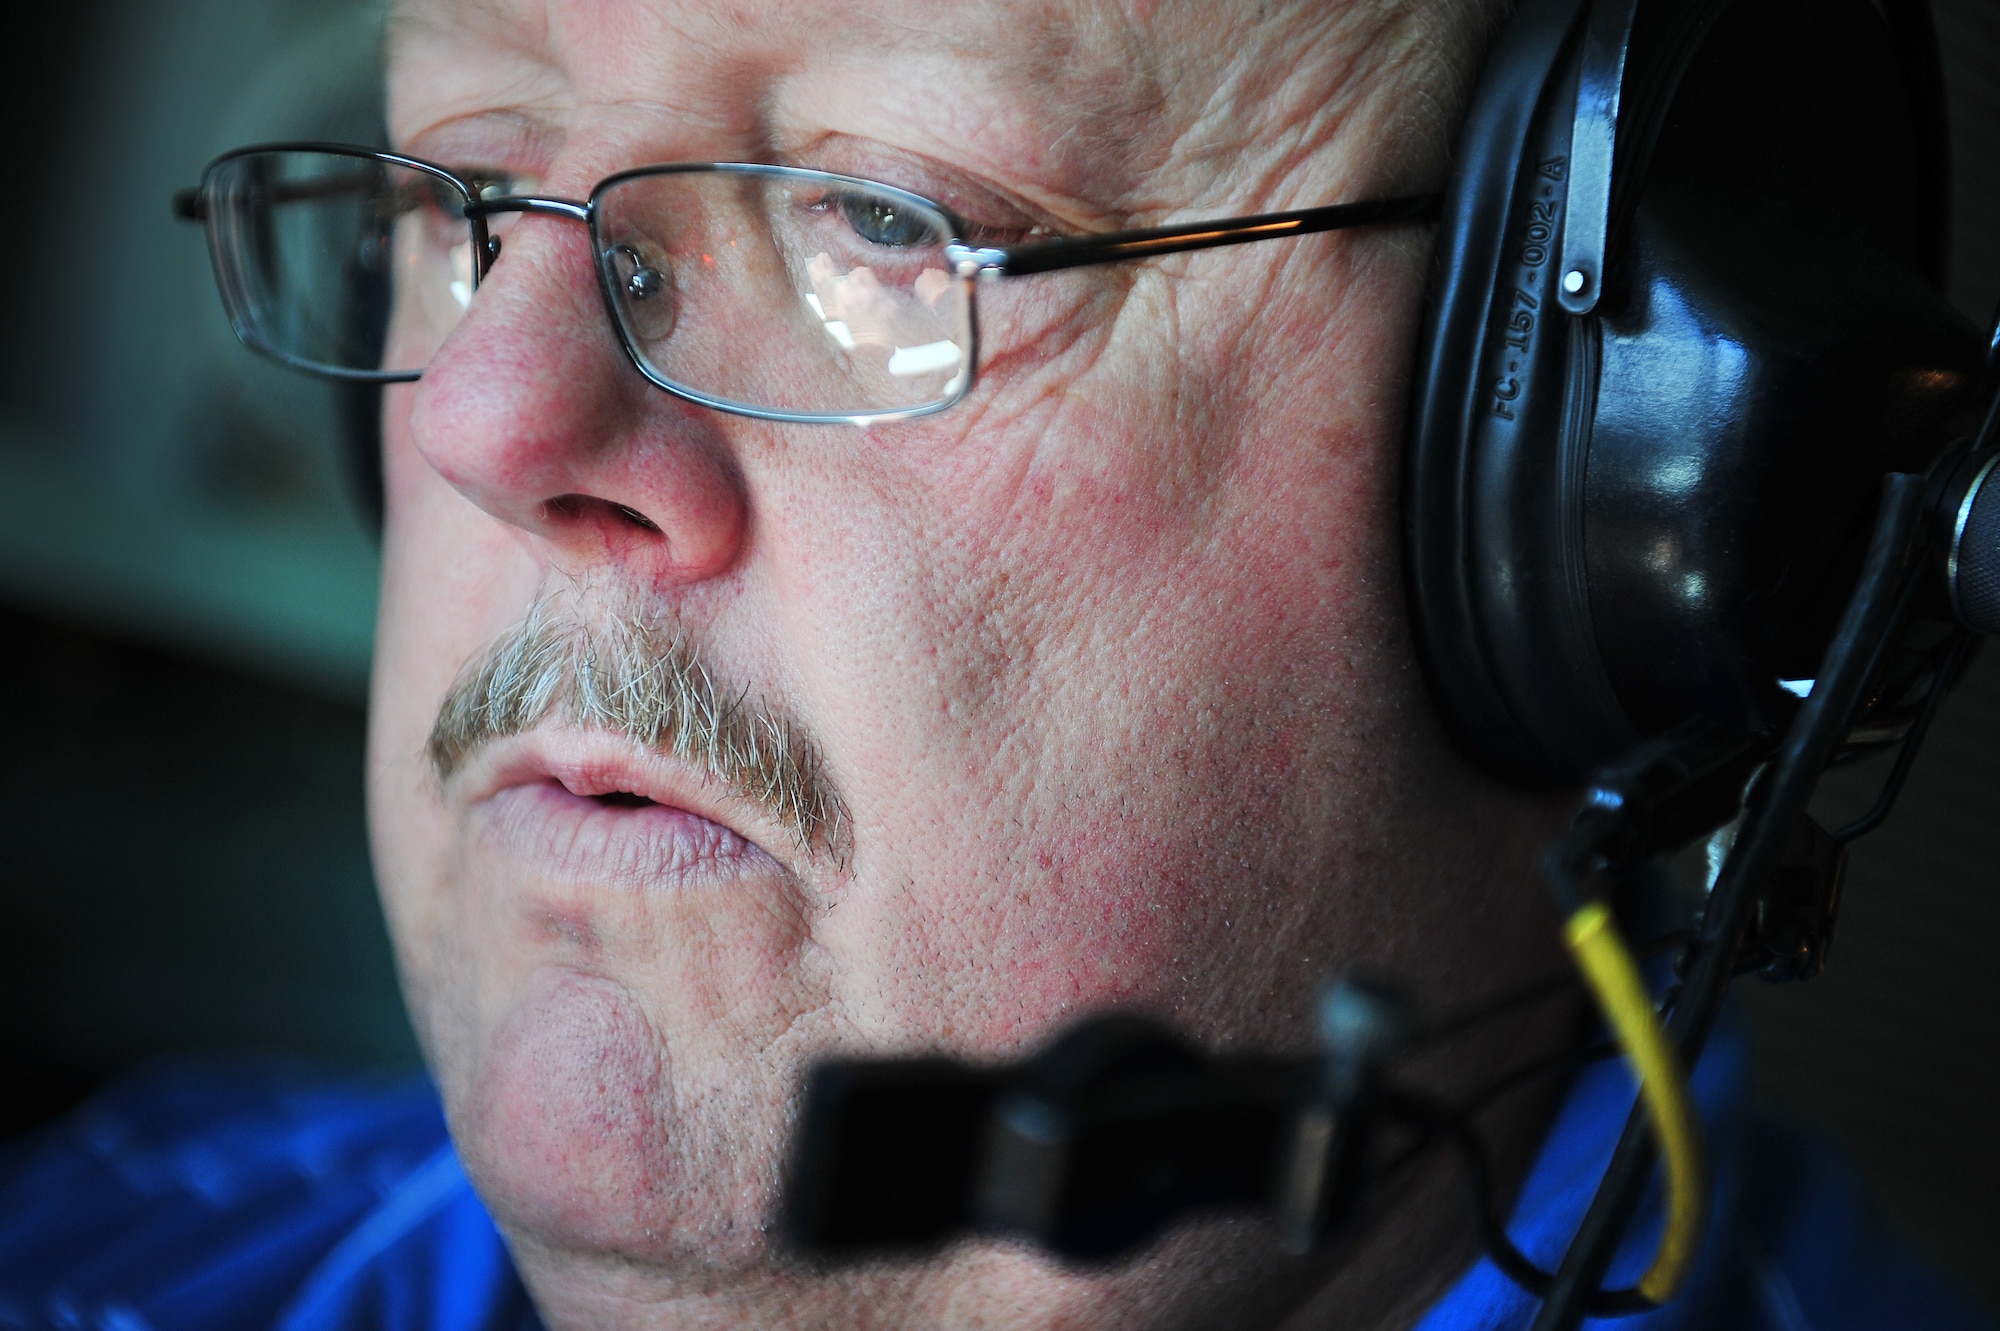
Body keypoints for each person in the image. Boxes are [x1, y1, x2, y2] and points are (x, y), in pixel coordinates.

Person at [0, 0, 1993, 1328]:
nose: (491, 423)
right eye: (453, 201)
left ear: (1612, 481)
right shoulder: (91, 1229)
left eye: (883, 220)